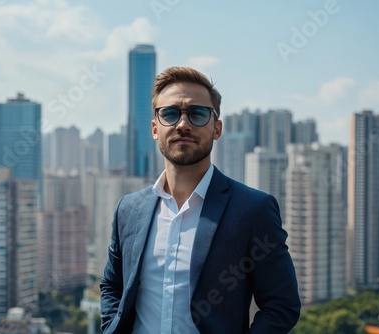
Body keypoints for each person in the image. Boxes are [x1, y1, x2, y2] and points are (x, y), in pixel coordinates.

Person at [100, 66, 300, 333]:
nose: (183, 124)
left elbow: (281, 305)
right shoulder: (128, 209)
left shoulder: (253, 209)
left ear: (216, 128)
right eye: (170, 113)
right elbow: (112, 286)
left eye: (197, 113)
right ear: (155, 129)